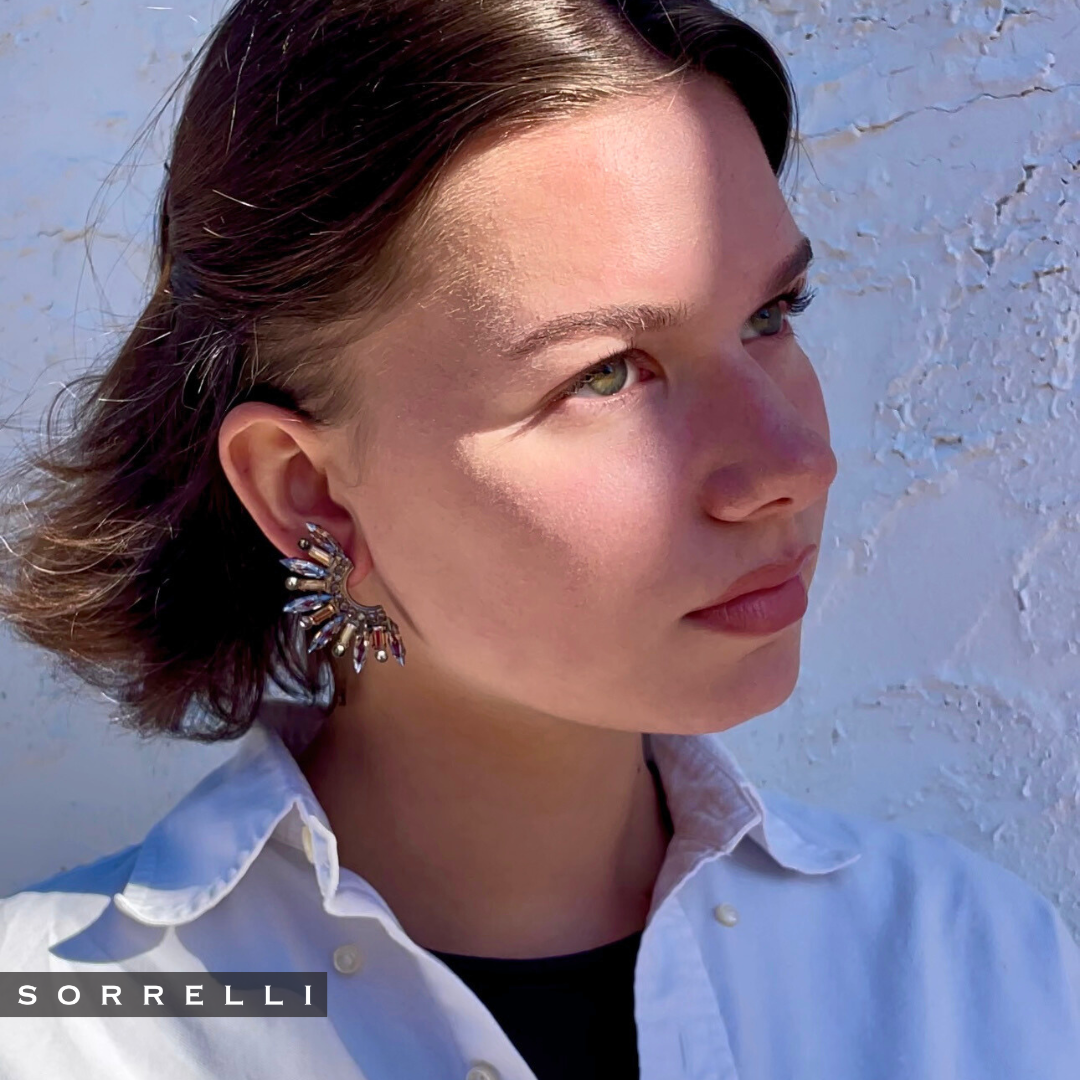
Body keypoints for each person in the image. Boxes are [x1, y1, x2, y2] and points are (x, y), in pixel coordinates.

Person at [0, 1, 1078, 1077]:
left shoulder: (976, 975)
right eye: (605, 374)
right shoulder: (65, 1029)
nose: (792, 464)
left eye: (771, 314)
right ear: (310, 493)